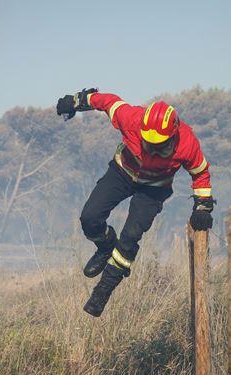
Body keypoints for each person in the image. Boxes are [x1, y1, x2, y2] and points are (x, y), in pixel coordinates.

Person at [56, 88, 215, 317]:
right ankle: (105, 246)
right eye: (148, 143)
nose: (153, 149)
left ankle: (103, 291)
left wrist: (202, 206)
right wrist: (76, 101)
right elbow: (107, 102)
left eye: (160, 145)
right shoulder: (131, 118)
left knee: (130, 237)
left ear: (173, 135)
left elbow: (200, 173)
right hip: (123, 172)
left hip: (154, 189)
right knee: (89, 218)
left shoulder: (187, 142)